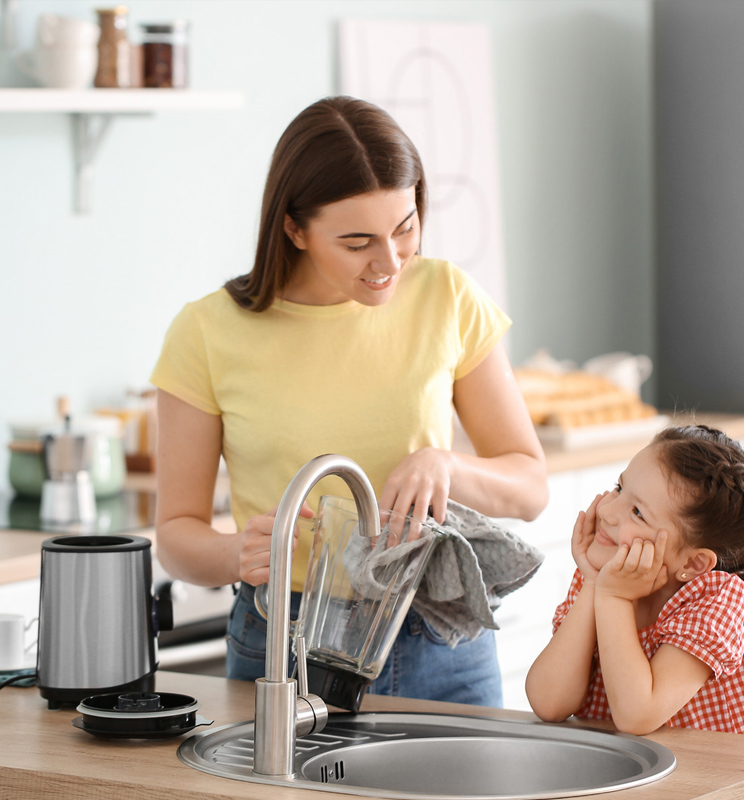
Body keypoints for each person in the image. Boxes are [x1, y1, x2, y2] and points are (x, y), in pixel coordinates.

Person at [150, 96, 548, 707]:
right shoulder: (207, 332)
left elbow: (528, 486)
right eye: (358, 241)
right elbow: (176, 534)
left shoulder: (448, 297)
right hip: (283, 641)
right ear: (294, 229)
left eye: (405, 227)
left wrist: (446, 465)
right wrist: (237, 553)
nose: (388, 262)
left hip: (440, 637)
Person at [525, 424, 744, 736]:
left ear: (694, 563)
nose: (607, 510)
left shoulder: (718, 601)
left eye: (637, 512)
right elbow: (550, 703)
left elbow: (637, 715)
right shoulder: (603, 580)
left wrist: (613, 598)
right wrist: (593, 584)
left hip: (713, 783)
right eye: (618, 488)